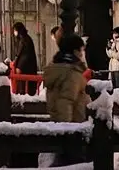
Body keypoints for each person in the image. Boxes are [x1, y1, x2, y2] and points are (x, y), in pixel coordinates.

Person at [43, 33, 88, 166]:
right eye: (81, 50)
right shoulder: (71, 73)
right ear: (75, 51)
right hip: (73, 128)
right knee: (72, 163)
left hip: (66, 126)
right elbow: (65, 102)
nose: (82, 54)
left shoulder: (59, 68)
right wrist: (67, 131)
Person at [11, 22, 39, 95]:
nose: (14, 33)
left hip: (25, 69)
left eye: (15, 30)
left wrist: (19, 66)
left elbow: (24, 55)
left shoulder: (24, 40)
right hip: (26, 68)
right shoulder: (24, 38)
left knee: (23, 89)